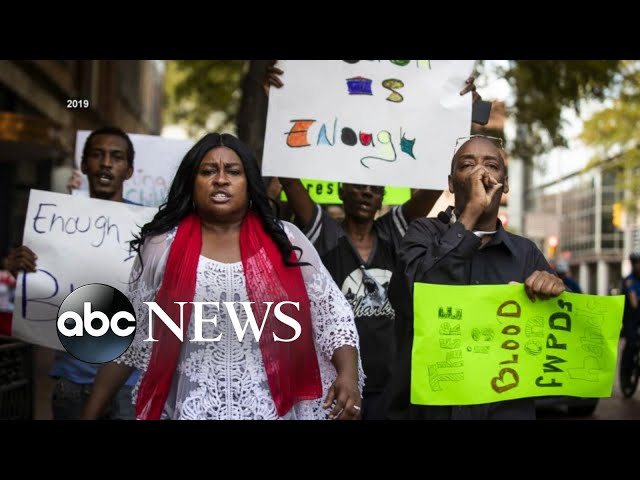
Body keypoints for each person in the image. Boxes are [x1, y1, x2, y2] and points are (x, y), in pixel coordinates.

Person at [80, 132, 363, 420]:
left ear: (249, 183)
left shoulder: (286, 240)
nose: (221, 179)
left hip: (269, 411)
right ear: (192, 182)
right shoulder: (162, 246)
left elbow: (333, 315)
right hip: (192, 411)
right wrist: (90, 413)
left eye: (233, 171)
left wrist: (348, 375)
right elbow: (131, 338)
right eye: (208, 171)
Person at [264, 65, 481, 420]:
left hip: (392, 383)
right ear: (341, 191)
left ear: (382, 197)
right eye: (358, 185)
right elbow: (289, 178)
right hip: (336, 381)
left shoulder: (394, 232)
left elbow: (433, 183)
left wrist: (460, 120)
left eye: (374, 188)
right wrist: (278, 106)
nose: (366, 192)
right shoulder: (324, 234)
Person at [385, 135, 566, 420]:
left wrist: (552, 291)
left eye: (491, 166)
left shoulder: (526, 254)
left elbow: (553, 344)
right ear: (451, 183)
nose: (480, 173)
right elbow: (413, 297)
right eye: (467, 165)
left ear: (505, 184)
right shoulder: (421, 233)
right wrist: (470, 214)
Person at [6, 126, 141, 420]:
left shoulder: (148, 228)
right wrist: (23, 272)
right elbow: (43, 292)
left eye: (116, 157)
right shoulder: (53, 221)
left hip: (128, 384)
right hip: (71, 380)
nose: (106, 163)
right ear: (84, 164)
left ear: (129, 171)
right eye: (97, 155)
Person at [620, 252, 640, 396]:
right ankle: (626, 376)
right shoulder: (629, 281)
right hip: (631, 318)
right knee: (632, 344)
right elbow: (634, 303)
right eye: (636, 263)